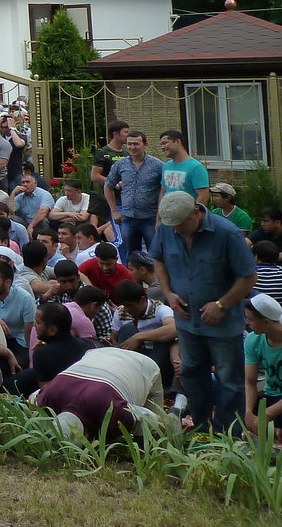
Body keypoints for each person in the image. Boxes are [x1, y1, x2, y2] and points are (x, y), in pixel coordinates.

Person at [152, 190, 257, 433]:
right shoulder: (168, 229)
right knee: (191, 374)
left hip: (223, 324)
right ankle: (201, 430)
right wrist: (168, 293)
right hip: (187, 321)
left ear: (196, 212)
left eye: (180, 224)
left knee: (229, 380)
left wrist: (222, 305)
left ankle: (228, 435)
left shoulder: (227, 233)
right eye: (172, 225)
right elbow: (158, 259)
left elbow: (249, 276)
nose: (175, 230)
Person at [35, 346, 167, 438]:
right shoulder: (48, 398)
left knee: (148, 438)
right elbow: (31, 404)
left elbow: (160, 423)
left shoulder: (114, 412)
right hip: (98, 353)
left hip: (143, 365)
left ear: (86, 436)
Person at [103, 130, 163, 258]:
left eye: (136, 144)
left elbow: (165, 189)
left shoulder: (158, 165)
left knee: (155, 255)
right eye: (129, 144)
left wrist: (160, 215)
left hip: (150, 218)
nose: (132, 147)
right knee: (131, 256)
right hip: (129, 217)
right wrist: (114, 210)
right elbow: (108, 186)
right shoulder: (120, 164)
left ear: (145, 145)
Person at [243, 292, 282, 439]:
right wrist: (248, 411)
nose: (247, 323)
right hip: (270, 395)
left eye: (251, 319)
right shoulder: (253, 340)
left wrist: (267, 414)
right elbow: (249, 381)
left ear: (266, 322)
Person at [158, 129, 210, 203]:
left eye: (165, 143)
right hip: (167, 210)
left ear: (178, 142)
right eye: (161, 145)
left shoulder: (196, 167)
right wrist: (160, 210)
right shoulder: (166, 166)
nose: (162, 147)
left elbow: (203, 196)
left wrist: (193, 210)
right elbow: (163, 192)